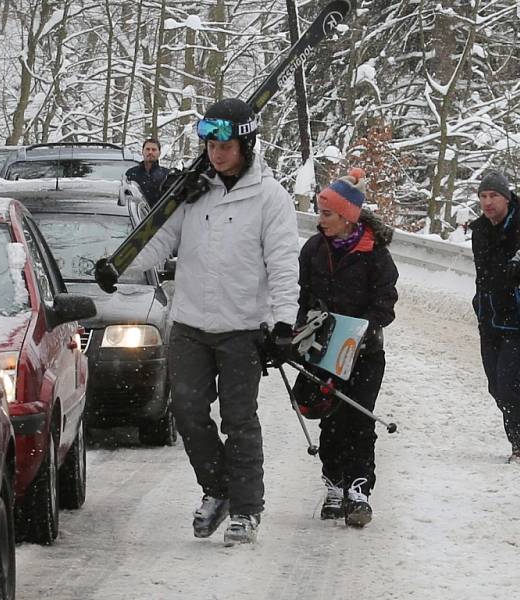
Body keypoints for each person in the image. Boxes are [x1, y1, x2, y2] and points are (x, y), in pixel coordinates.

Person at [95, 98, 300, 545]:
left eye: (224, 145)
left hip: (242, 328)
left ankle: (246, 510)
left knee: (239, 420)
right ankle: (218, 489)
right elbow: (160, 239)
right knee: (187, 411)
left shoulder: (270, 198)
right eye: (209, 144)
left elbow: (284, 264)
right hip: (189, 323)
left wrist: (284, 323)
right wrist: (119, 267)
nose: (216, 153)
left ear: (246, 144)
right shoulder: (193, 192)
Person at [296, 167, 398, 527]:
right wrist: (296, 334)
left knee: (359, 417)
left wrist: (367, 329)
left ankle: (359, 490)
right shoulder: (312, 250)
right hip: (323, 349)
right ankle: (334, 485)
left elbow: (386, 300)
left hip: (366, 353)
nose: (320, 220)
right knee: (331, 418)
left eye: (327, 213)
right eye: (320, 212)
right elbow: (302, 297)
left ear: (347, 216)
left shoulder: (375, 254)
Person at [469, 170, 520, 463]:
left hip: (519, 319)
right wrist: (480, 303)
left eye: (494, 196)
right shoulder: (478, 230)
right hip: (489, 318)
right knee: (496, 386)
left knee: (510, 384)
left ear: (507, 198)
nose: (488, 202)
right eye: (483, 196)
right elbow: (484, 276)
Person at [125, 138, 171, 207]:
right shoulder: (131, 173)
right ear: (142, 151)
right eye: (147, 149)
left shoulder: (167, 175)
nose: (150, 152)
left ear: (159, 153)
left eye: (154, 150)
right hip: (136, 215)